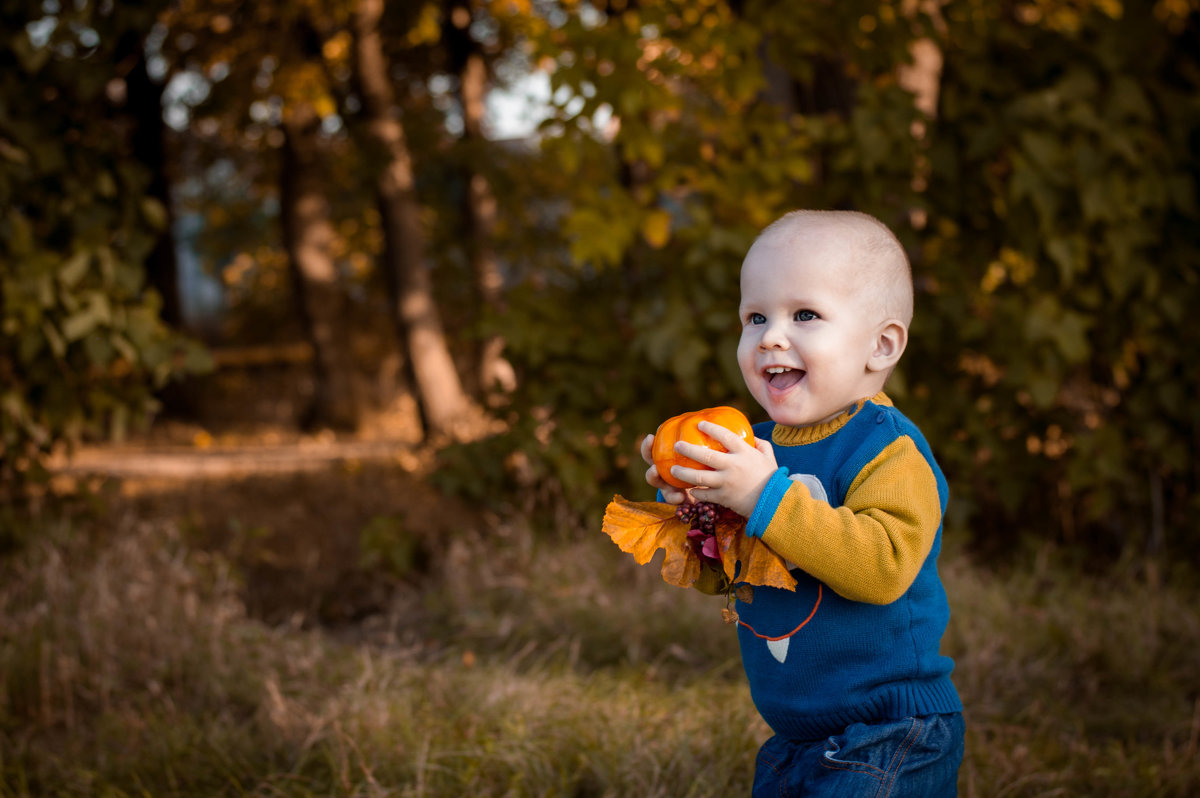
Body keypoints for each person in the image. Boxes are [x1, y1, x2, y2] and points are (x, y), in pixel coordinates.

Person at [640, 210, 964, 796]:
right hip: (796, 738)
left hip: (889, 731)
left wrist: (764, 496)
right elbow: (731, 578)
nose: (770, 336)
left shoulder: (885, 449)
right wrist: (700, 513)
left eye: (805, 315)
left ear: (881, 344)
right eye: (755, 316)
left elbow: (884, 567)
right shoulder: (750, 447)